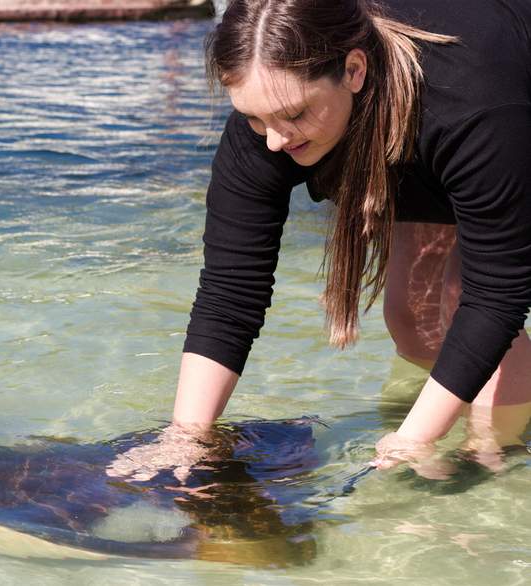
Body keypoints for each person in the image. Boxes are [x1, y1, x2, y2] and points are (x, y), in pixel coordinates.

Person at [108, 0, 531, 481]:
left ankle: (496, 459)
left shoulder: (473, 101)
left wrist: (412, 441)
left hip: (502, 113)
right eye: (253, 118)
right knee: (413, 316)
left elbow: (497, 295)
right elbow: (230, 289)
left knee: (460, 306)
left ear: (353, 70)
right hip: (420, 126)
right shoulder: (268, 121)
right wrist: (185, 438)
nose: (274, 141)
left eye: (293, 115)